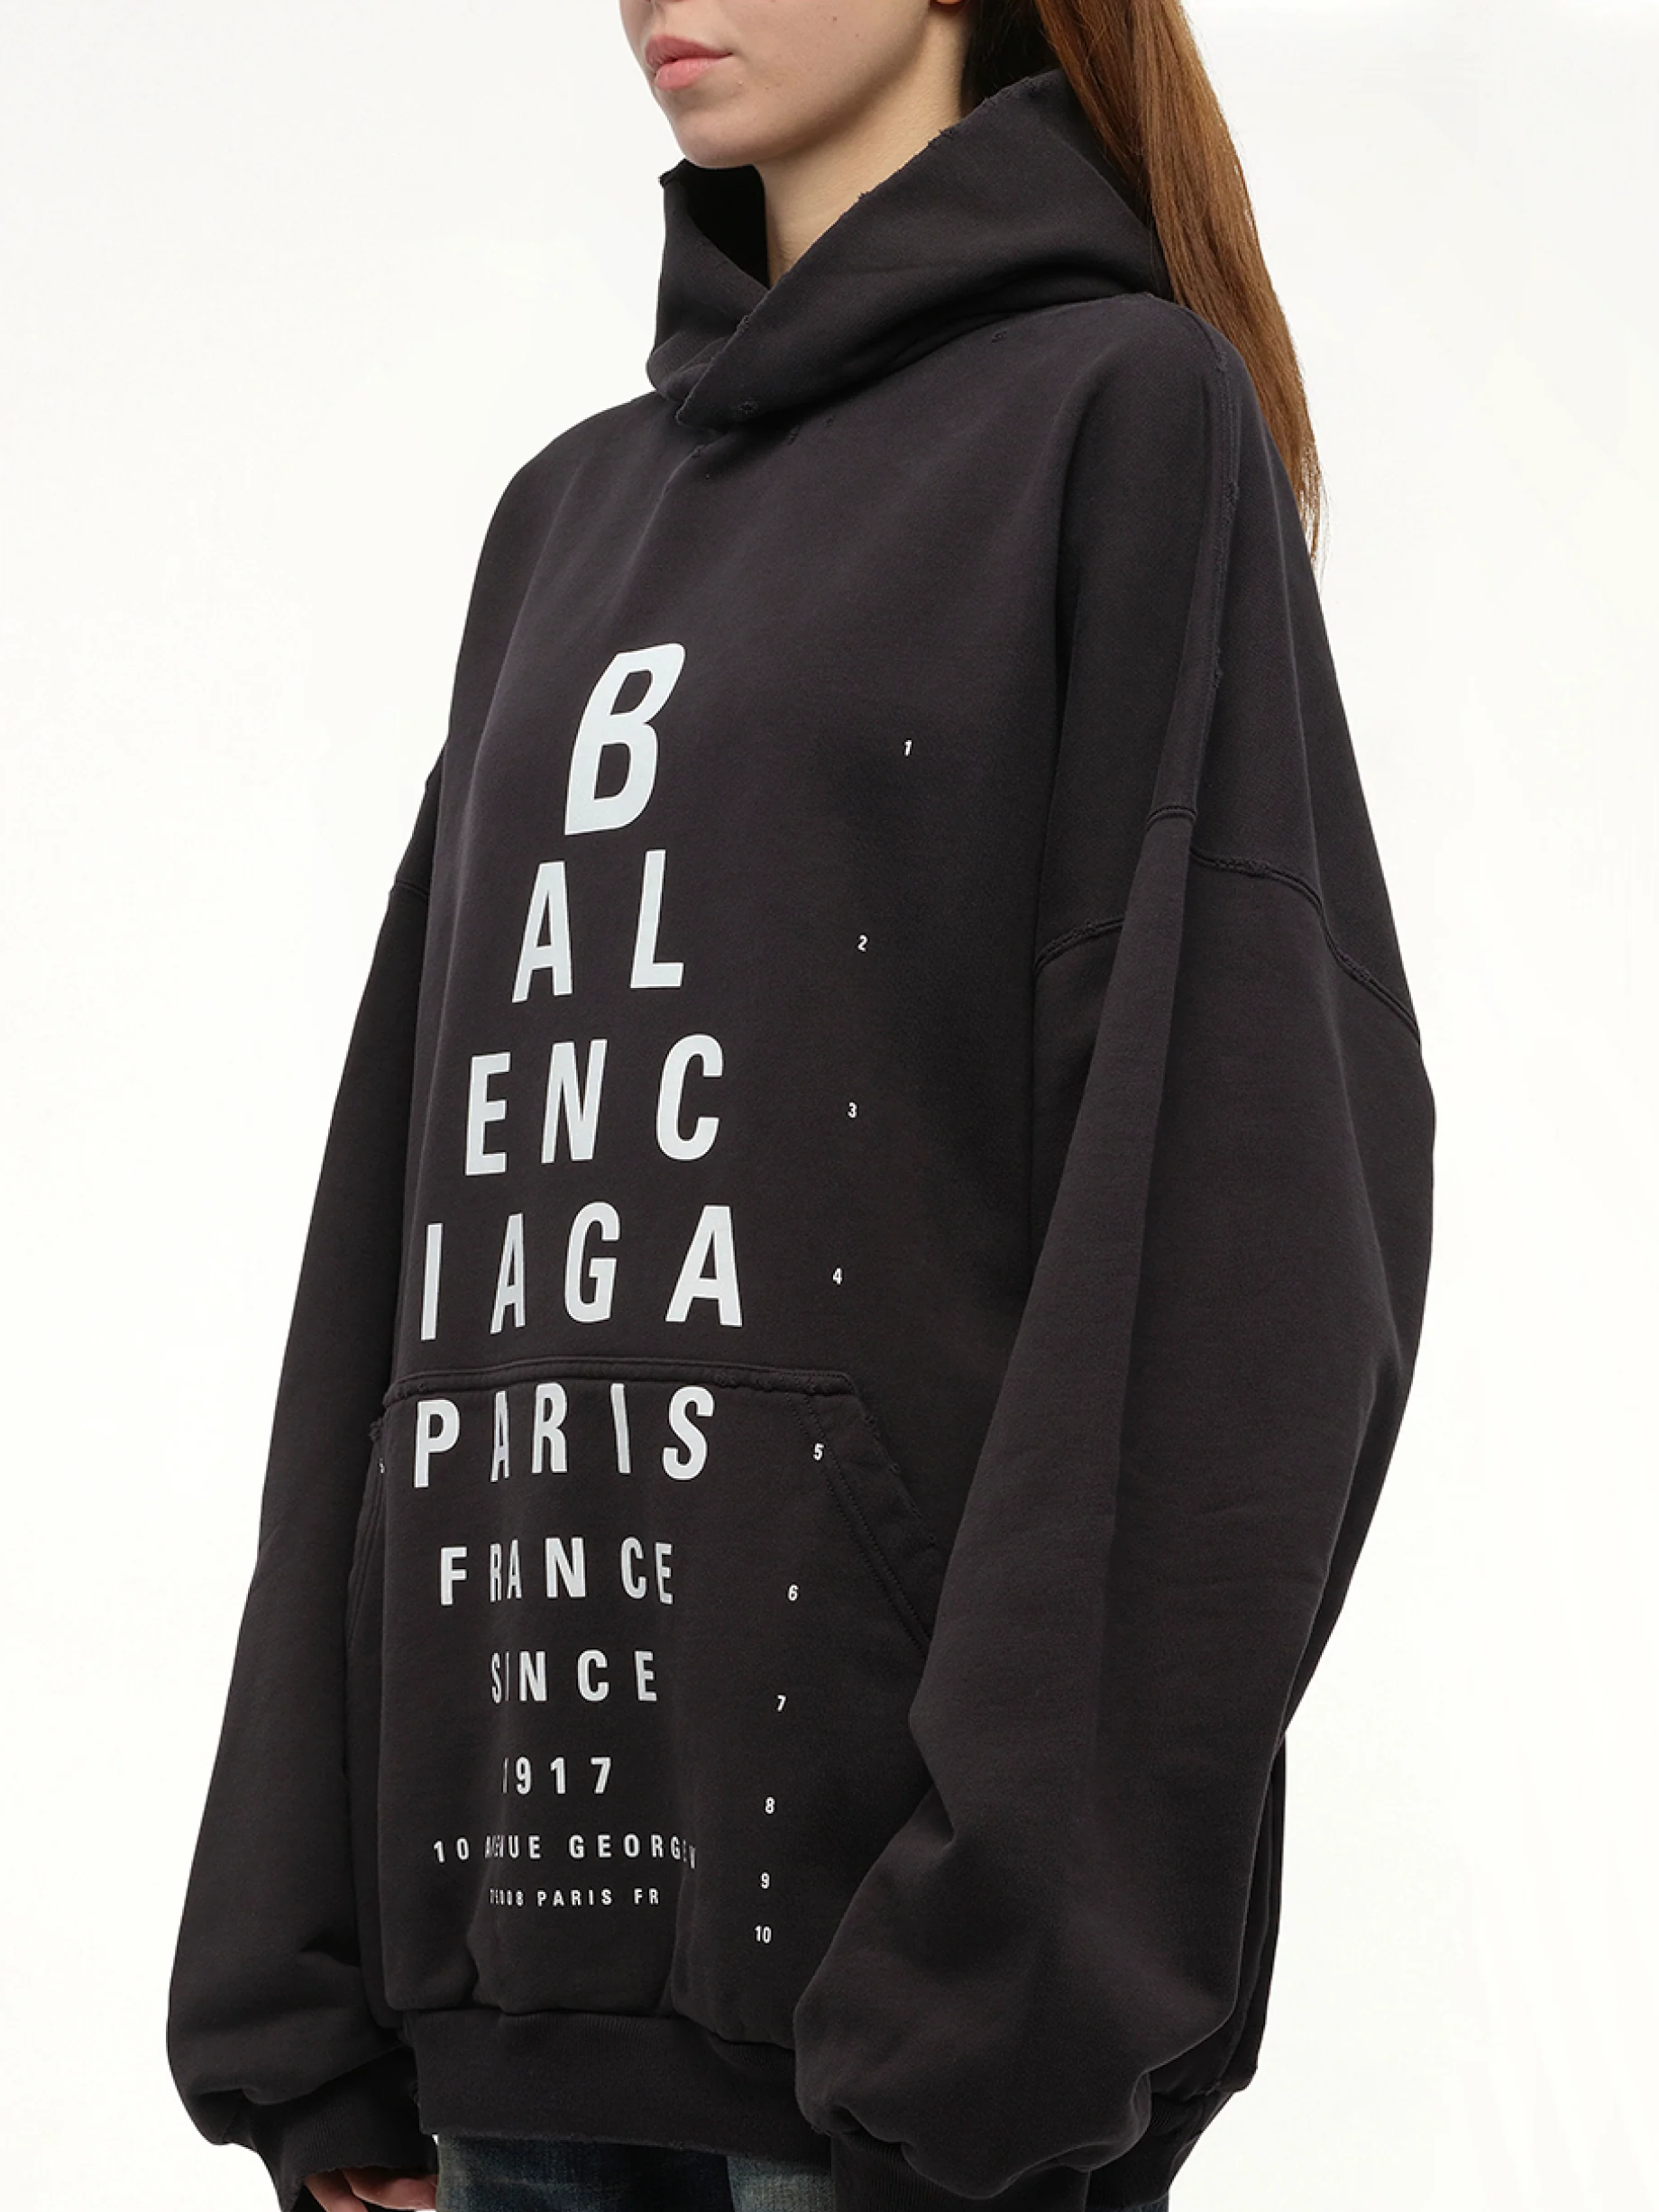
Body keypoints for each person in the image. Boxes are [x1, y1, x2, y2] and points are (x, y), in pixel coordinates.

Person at [164, 2, 1436, 2209]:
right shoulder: (560, 524)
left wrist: (1005, 1985)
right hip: (496, 2003)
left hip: (883, 2047)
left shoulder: (1120, 418)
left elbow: (1228, 1241)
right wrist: (298, 1970)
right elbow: (409, 1214)